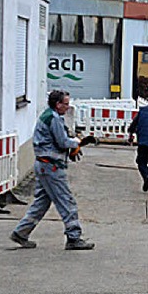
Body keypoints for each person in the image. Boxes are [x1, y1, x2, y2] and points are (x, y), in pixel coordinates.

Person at [10, 89, 94, 250]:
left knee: (42, 202)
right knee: (66, 201)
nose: (68, 107)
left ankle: (21, 232)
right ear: (58, 104)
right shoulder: (54, 119)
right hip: (51, 167)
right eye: (66, 104)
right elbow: (62, 142)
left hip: (44, 165)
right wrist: (77, 142)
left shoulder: (49, 115)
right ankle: (73, 237)